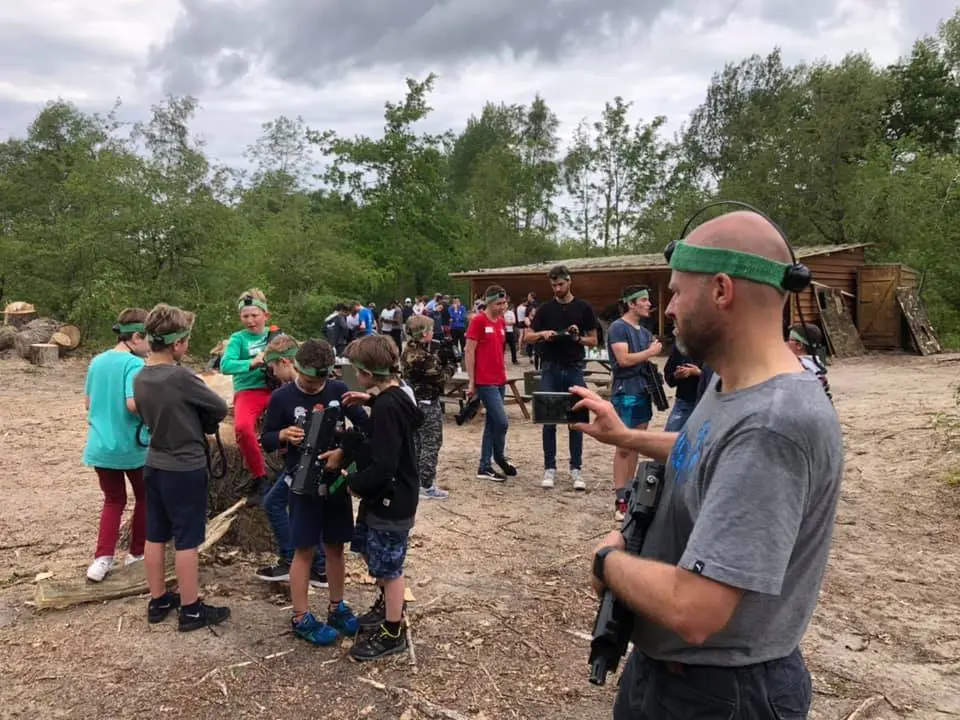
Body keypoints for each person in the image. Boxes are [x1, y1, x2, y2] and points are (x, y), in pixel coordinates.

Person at [572, 209, 842, 718]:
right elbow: (708, 450)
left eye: (676, 292)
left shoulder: (772, 424)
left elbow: (695, 609)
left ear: (721, 290)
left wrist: (607, 563)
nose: (668, 308)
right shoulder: (732, 383)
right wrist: (626, 436)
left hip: (718, 695)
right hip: (675, 676)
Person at [257, 337, 365, 646]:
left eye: (319, 380)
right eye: (306, 380)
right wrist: (282, 435)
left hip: (334, 483)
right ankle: (301, 616)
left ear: (330, 372)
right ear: (295, 366)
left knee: (335, 546)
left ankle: (336, 606)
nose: (313, 386)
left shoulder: (340, 389)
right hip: (301, 484)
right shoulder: (281, 398)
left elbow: (363, 427)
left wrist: (344, 452)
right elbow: (265, 439)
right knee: (304, 549)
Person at [322, 335, 422, 661]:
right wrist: (369, 401)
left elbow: (386, 463)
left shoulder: (389, 407)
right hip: (381, 498)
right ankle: (387, 604)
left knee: (390, 568)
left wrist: (356, 484)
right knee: (368, 550)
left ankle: (393, 630)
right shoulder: (390, 398)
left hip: (392, 498)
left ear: (366, 373)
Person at [134, 303, 230, 631]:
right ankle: (191, 609)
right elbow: (217, 406)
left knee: (155, 535)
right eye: (187, 340)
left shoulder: (141, 375)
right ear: (177, 343)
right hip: (185, 466)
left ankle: (158, 599)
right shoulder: (181, 376)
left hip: (154, 463)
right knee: (188, 540)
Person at [82, 308, 151, 582]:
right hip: (130, 447)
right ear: (136, 337)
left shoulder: (97, 361)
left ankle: (102, 559)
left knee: (113, 501)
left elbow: (88, 403)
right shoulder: (134, 365)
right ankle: (136, 554)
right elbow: (132, 404)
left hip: (100, 446)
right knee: (146, 496)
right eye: (148, 339)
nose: (150, 346)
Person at [525, 265, 598, 490]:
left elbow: (594, 340)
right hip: (550, 367)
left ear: (569, 282)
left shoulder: (584, 307)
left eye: (561, 284)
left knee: (576, 419)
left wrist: (578, 338)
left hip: (574, 367)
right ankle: (550, 467)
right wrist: (541, 334)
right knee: (549, 419)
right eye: (554, 285)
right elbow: (527, 337)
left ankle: (576, 468)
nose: (557, 288)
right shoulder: (545, 309)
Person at [605, 286, 662, 520]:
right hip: (625, 390)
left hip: (642, 390)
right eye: (644, 300)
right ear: (631, 304)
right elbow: (624, 359)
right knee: (624, 445)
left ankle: (630, 492)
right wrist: (650, 352)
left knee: (637, 443)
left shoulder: (645, 331)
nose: (649, 304)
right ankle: (620, 498)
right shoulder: (619, 328)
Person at [219, 288, 277, 507]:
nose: (251, 321)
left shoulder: (276, 336)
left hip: (276, 389)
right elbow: (225, 365)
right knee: (242, 428)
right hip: (249, 390)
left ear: (265, 315)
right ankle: (259, 476)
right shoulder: (238, 339)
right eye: (245, 316)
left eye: (255, 315)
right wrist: (251, 363)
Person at [464, 285, 517, 482]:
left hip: (499, 377)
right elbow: (469, 351)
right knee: (502, 422)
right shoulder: (478, 321)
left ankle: (486, 464)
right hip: (485, 380)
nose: (502, 307)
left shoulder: (501, 322)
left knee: (493, 423)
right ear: (488, 302)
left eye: (504, 303)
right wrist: (472, 381)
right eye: (498, 303)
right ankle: (497, 456)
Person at [402, 314, 456, 500]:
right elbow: (441, 378)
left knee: (417, 443)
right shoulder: (421, 356)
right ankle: (426, 484)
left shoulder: (410, 350)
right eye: (431, 329)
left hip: (414, 403)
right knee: (431, 443)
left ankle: (415, 481)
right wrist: (451, 364)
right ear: (424, 333)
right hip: (426, 403)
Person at [786, 323, 832, 400]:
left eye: (789, 340)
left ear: (799, 345)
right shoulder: (816, 362)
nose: (786, 343)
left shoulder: (799, 365)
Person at [663, 344, 702, 431]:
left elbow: (721, 377)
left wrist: (698, 373)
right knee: (670, 435)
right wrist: (676, 375)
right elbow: (669, 378)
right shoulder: (680, 346)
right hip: (684, 402)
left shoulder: (716, 346)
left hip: (708, 403)